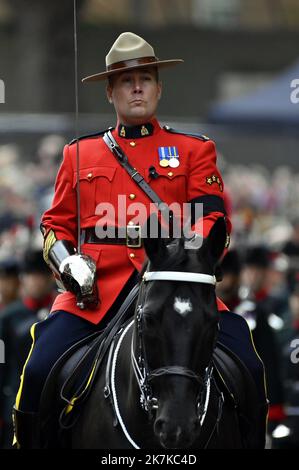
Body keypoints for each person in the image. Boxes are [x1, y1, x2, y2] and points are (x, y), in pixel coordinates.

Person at [14, 32, 267, 448]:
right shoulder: (80, 154)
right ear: (110, 91)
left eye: (146, 79)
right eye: (127, 81)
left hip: (176, 284)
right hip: (96, 294)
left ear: (158, 88)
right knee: (39, 368)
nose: (137, 87)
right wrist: (68, 263)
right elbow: (55, 225)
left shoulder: (193, 150)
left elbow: (213, 217)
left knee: (250, 367)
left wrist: (187, 256)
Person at [1, 250, 55, 447]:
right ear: (23, 279)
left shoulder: (59, 313)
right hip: (14, 402)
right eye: (31, 276)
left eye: (41, 275)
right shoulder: (8, 317)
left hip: (50, 403)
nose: (36, 281)